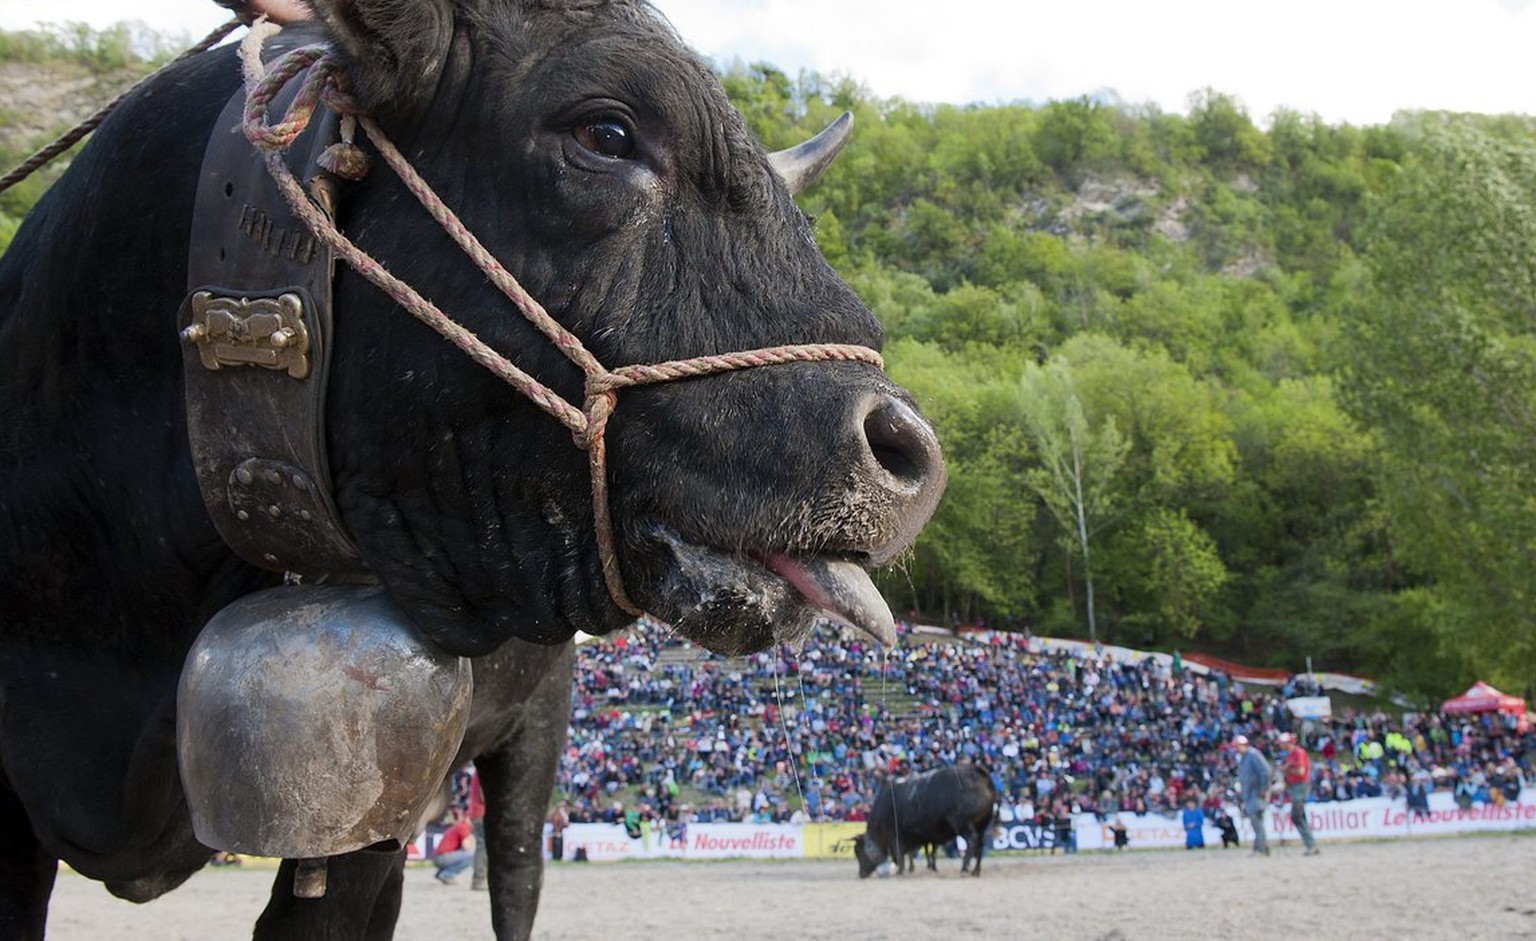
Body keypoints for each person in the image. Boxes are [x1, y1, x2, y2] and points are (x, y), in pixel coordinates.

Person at [1278, 732, 1319, 856]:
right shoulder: (1291, 755)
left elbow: (1301, 772)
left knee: (1296, 816)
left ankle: (1311, 845)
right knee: (1300, 816)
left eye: (1282, 743)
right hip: (1295, 787)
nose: (1280, 746)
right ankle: (1311, 845)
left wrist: (1286, 769)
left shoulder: (1297, 753)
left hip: (1300, 787)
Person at [1234, 734, 1272, 857]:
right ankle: (1262, 847)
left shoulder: (1253, 755)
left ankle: (1260, 849)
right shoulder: (1244, 758)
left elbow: (1265, 771)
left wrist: (1263, 788)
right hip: (1250, 794)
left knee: (1256, 821)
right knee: (1256, 821)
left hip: (1256, 793)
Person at [432, 809, 477, 885]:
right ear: (467, 819)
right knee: (471, 856)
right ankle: (446, 874)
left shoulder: (459, 826)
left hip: (439, 857)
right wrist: (475, 840)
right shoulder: (463, 827)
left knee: (467, 855)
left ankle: (441, 873)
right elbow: (467, 847)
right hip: (442, 857)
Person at [467, 769, 488, 890]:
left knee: (482, 847)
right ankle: (479, 880)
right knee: (483, 847)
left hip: (476, 813)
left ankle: (479, 879)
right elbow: (483, 794)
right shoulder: (483, 773)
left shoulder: (477, 773)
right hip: (482, 813)